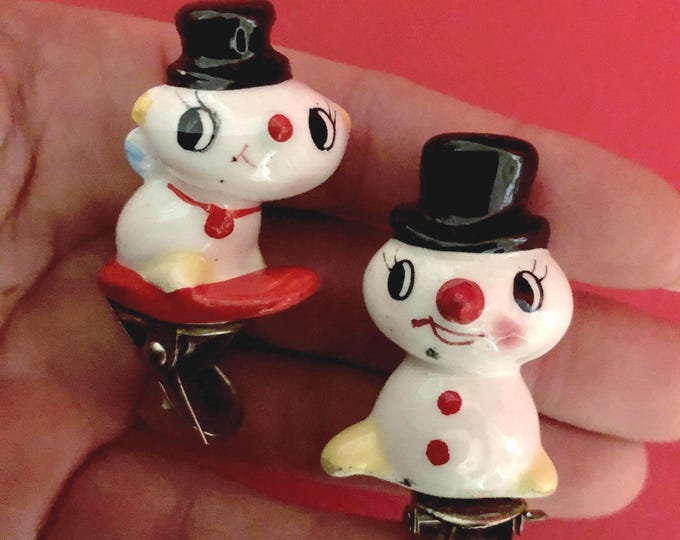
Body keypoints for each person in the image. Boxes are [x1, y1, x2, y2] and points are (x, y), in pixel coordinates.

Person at [0, 1, 679, 538]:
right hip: (168, 271)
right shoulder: (183, 173)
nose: (461, 305)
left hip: (487, 474)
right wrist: (371, 443)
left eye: (523, 292)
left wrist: (511, 464)